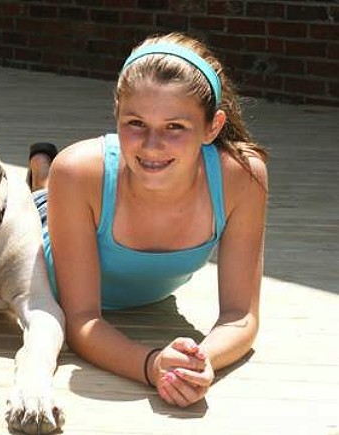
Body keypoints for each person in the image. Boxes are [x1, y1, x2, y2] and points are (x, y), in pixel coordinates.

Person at [28, 32, 268, 408]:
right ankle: (43, 173)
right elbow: (82, 321)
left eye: (175, 127)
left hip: (124, 263)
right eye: (136, 123)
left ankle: (40, 171)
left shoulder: (242, 176)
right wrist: (152, 364)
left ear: (213, 127)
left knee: (48, 188)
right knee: (41, 199)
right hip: (48, 235)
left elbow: (241, 316)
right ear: (116, 114)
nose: (152, 145)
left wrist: (198, 363)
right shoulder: (77, 170)